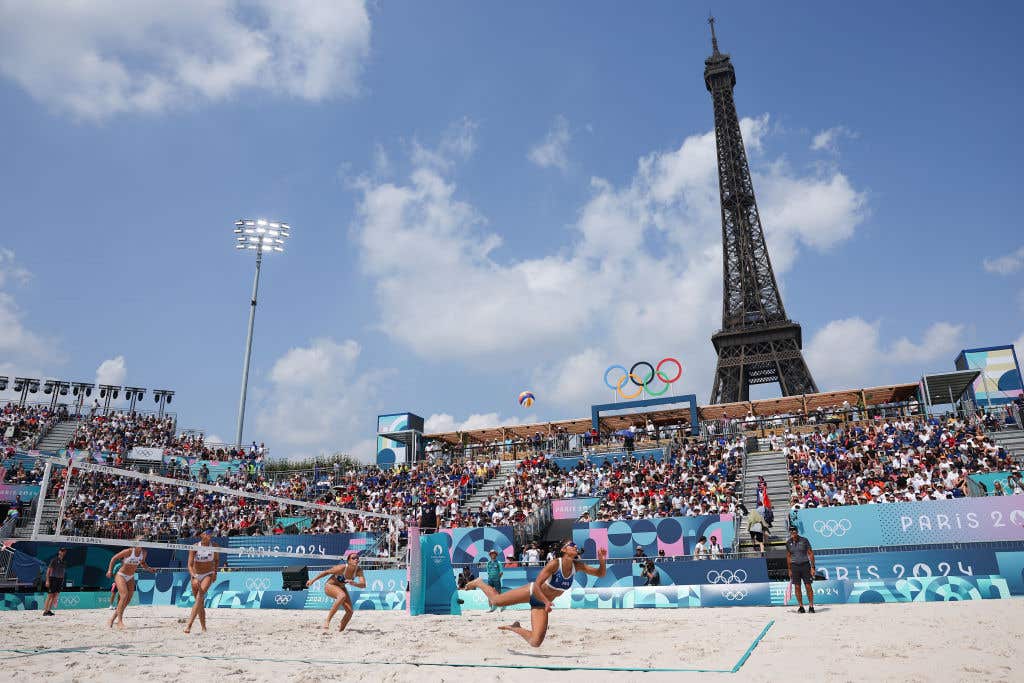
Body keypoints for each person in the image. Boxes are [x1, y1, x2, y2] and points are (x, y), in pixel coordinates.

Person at [466, 540, 607, 647]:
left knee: (535, 642)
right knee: (497, 601)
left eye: (576, 545)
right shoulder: (554, 564)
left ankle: (516, 628)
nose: (576, 547)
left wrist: (602, 561)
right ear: (564, 550)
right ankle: (479, 582)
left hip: (542, 604)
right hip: (533, 592)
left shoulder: (578, 566)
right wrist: (546, 602)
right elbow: (538, 584)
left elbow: (600, 574)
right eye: (572, 545)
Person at [306, 553, 366, 632]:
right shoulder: (341, 568)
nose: (356, 559)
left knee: (350, 611)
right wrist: (312, 581)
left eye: (357, 558)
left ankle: (340, 630)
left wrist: (354, 583)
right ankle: (327, 621)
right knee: (342, 596)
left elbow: (363, 585)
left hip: (341, 587)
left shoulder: (359, 571)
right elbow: (326, 572)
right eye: (353, 558)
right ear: (348, 561)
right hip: (329, 586)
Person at [106, 540, 155, 629]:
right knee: (124, 596)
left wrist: (148, 569)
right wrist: (109, 570)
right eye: (139, 543)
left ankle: (112, 619)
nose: (141, 545)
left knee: (128, 599)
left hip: (130, 576)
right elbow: (114, 558)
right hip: (121, 575)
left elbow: (143, 563)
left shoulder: (144, 553)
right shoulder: (128, 551)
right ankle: (120, 622)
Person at [184, 531, 219, 634]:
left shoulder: (214, 546)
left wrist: (215, 573)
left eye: (211, 534)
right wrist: (194, 576)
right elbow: (190, 565)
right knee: (199, 603)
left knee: (199, 597)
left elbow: (216, 560)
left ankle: (189, 625)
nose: (210, 535)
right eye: (207, 533)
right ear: (202, 535)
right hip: (196, 575)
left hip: (208, 574)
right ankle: (204, 627)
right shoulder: (195, 547)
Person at [786, 527, 816, 614]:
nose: (793, 532)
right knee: (797, 587)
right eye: (791, 531)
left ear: (797, 532)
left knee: (808, 586)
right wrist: (789, 569)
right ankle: (801, 607)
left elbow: (810, 553)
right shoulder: (788, 543)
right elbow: (788, 556)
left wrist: (813, 567)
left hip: (805, 565)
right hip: (794, 566)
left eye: (794, 531)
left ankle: (811, 606)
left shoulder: (804, 540)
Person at [42, 548, 68, 616]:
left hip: (59, 579)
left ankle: (49, 610)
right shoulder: (54, 560)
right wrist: (47, 580)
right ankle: (45, 611)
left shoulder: (64, 562)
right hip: (53, 578)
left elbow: (63, 572)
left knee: (54, 596)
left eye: (64, 551)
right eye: (61, 551)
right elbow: (48, 571)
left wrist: (62, 580)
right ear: (59, 552)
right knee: (50, 595)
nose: (62, 552)